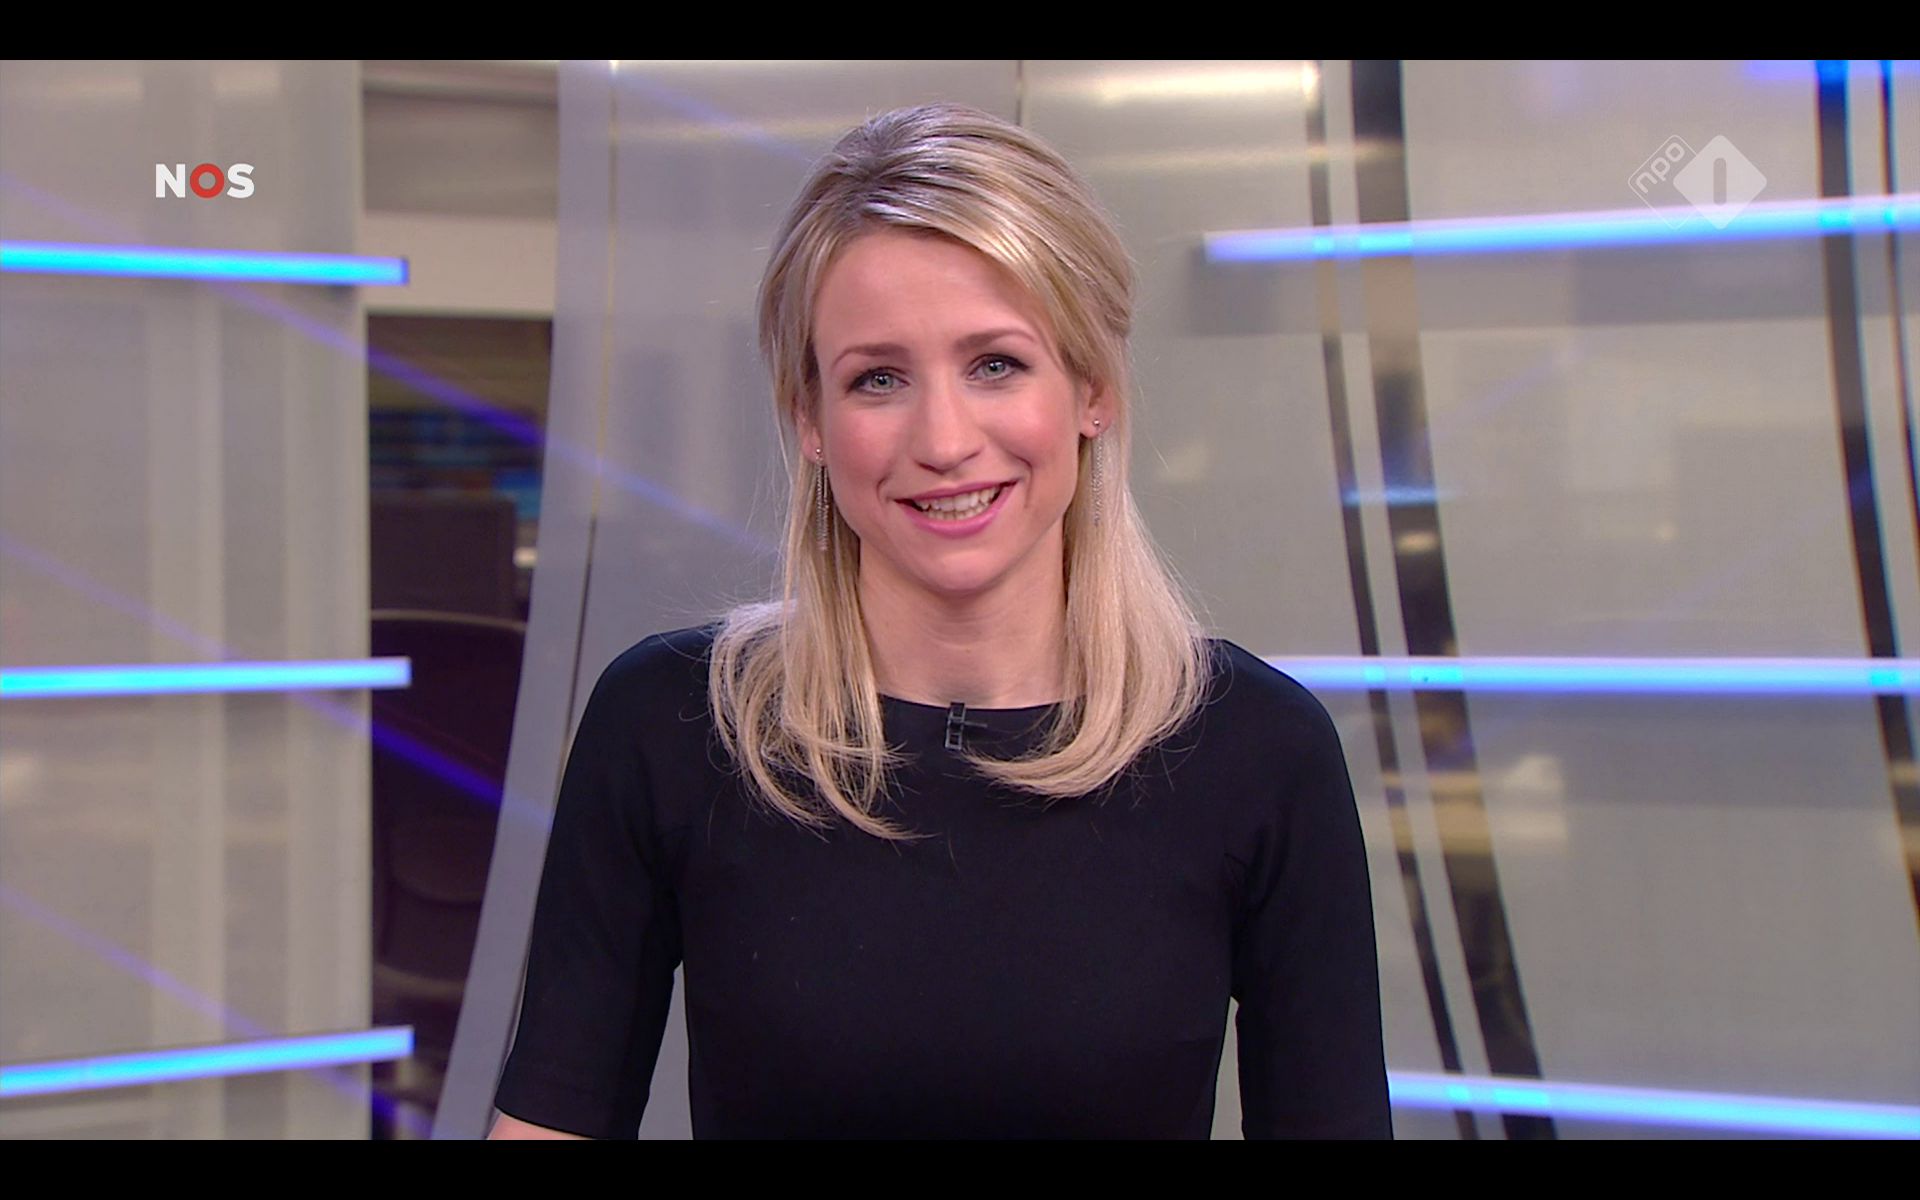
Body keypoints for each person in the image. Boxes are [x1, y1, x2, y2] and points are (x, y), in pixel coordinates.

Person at [489, 102, 1390, 1140]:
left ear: (1092, 389)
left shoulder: (1259, 750)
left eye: (995, 364)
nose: (945, 440)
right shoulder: (674, 726)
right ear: (810, 418)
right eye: (878, 379)